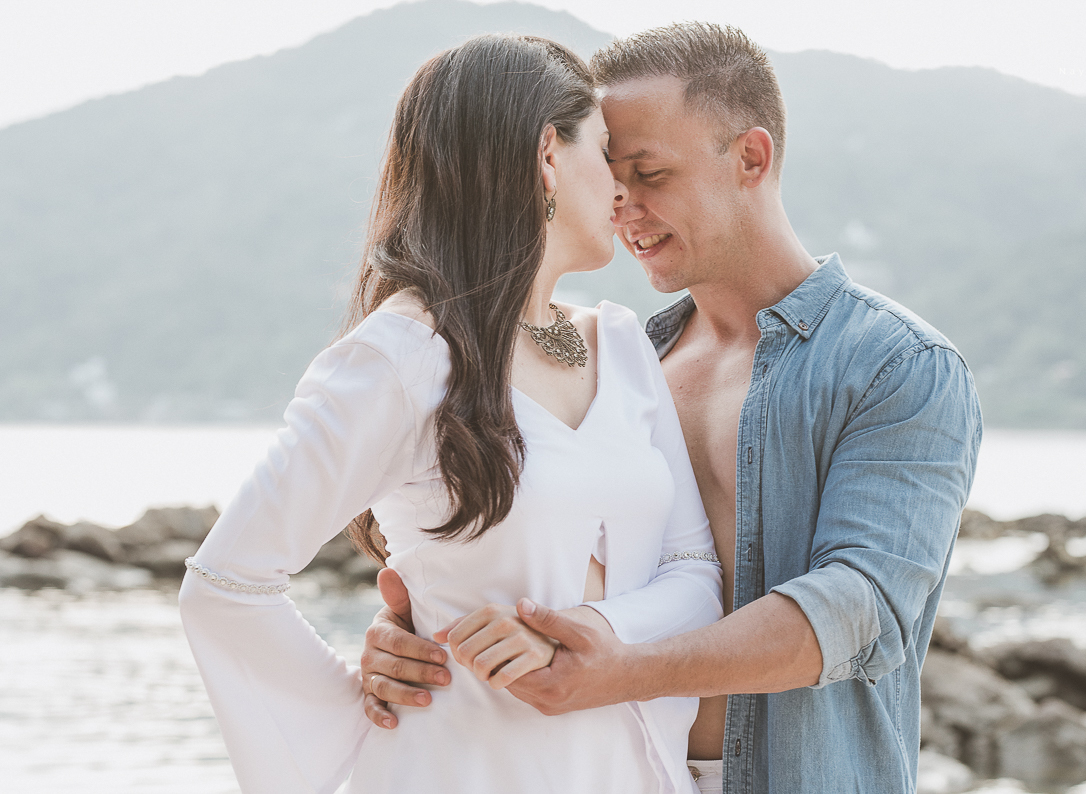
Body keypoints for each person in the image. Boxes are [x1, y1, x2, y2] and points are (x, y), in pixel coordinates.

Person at [359, 23, 983, 794]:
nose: (624, 207)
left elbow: (861, 608)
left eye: (650, 173)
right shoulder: (612, 366)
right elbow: (531, 568)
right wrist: (418, 632)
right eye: (607, 176)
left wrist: (624, 671)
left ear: (751, 158)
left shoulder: (897, 366)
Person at [178, 34, 724, 794]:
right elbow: (226, 583)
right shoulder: (397, 359)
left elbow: (695, 570)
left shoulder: (624, 344)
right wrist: (358, 714)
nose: (622, 191)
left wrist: (602, 632)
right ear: (547, 157)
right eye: (604, 154)